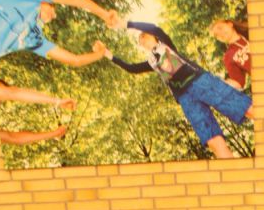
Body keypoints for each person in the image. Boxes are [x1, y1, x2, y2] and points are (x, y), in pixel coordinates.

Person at [101, 20, 254, 159]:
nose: (142, 40)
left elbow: (153, 27)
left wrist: (125, 24)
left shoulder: (165, 44)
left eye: (144, 36)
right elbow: (132, 68)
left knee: (245, 108)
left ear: (153, 36)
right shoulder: (151, 62)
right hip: (185, 97)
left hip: (199, 81)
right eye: (140, 40)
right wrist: (108, 54)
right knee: (212, 140)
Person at [0, 0, 116, 67]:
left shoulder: (34, 38)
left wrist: (101, 53)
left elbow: (75, 60)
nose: (54, 16)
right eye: (53, 7)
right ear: (43, 0)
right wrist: (104, 14)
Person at [209, 19, 251, 90]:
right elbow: (239, 83)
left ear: (230, 24)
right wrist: (221, 84)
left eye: (220, 28)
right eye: (216, 35)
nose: (220, 33)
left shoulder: (252, 30)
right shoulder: (228, 56)